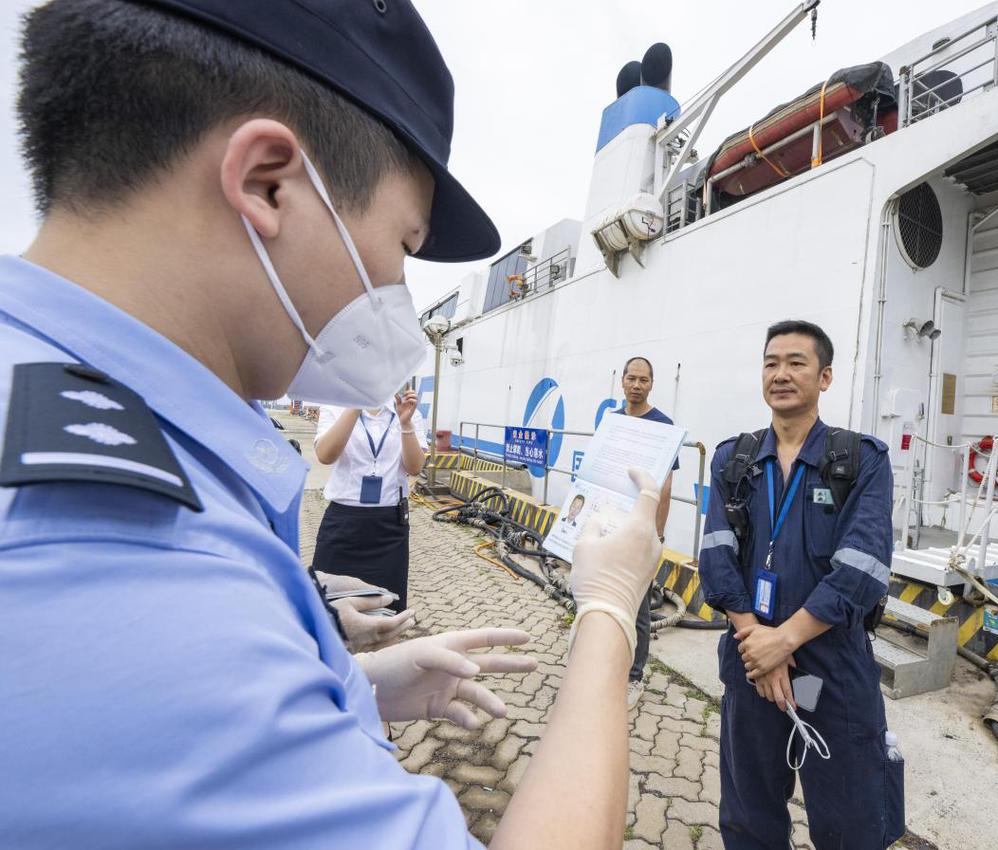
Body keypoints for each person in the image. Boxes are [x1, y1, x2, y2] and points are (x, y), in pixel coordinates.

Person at [0, 2, 663, 848]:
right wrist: (608, 608)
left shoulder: (70, 405)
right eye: (400, 242)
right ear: (266, 183)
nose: (394, 294)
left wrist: (345, 683)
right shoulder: (106, 554)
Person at [698, 321, 903, 850]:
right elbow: (717, 557)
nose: (781, 374)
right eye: (771, 363)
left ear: (825, 377)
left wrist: (782, 641)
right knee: (748, 819)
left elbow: (863, 569)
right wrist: (758, 645)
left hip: (832, 667)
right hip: (750, 664)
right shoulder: (733, 461)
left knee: (852, 823)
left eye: (796, 363)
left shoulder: (861, 461)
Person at [312, 388, 427, 611]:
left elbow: (414, 467)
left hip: (389, 527)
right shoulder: (334, 408)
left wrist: (405, 424)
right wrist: (356, 403)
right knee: (329, 608)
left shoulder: (408, 412)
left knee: (387, 609)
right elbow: (325, 455)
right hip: (342, 524)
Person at [614, 355, 678, 707]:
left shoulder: (663, 425)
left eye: (644, 380)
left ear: (652, 384)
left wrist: (657, 534)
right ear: (622, 380)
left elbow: (665, 487)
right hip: (613, 527)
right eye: (631, 378)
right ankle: (609, 665)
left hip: (641, 532)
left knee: (638, 607)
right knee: (609, 600)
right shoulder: (612, 422)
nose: (637, 385)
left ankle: (634, 677)